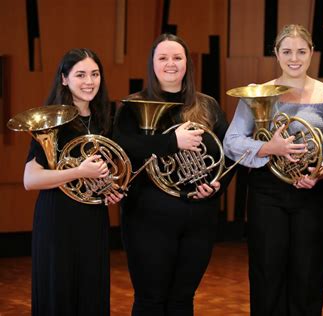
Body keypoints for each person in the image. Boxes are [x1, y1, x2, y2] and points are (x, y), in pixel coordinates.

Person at [224, 24, 323, 315]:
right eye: (287, 51)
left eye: (301, 51)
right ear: (276, 54)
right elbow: (232, 142)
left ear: (312, 53)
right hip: (267, 191)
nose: (295, 58)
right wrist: (271, 149)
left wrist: (322, 172)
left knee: (309, 273)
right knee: (267, 272)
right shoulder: (258, 93)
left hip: (313, 190)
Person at [113, 33, 230, 315]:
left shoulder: (207, 105)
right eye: (162, 58)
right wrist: (171, 143)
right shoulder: (131, 105)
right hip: (147, 217)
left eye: (177, 58)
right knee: (150, 299)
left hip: (198, 216)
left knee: (182, 299)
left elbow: (227, 156)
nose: (170, 64)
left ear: (187, 63)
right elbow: (122, 149)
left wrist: (216, 186)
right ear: (152, 64)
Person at [23, 48, 123, 315]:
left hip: (92, 218)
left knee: (92, 295)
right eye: (80, 75)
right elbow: (30, 179)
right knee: (59, 296)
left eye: (95, 74)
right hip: (57, 220)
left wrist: (111, 189)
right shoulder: (50, 121)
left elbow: (107, 170)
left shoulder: (104, 120)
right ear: (64, 79)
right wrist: (79, 171)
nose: (89, 82)